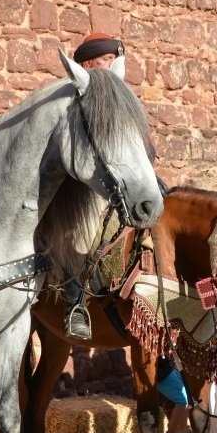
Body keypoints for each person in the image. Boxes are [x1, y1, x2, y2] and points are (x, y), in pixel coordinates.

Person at [60, 32, 126, 340]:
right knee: (83, 235)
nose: (113, 68)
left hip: (122, 184)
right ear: (88, 64)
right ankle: (75, 305)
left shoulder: (120, 99)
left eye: (115, 61)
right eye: (107, 61)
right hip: (82, 187)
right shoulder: (74, 98)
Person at [157, 356, 193, 433]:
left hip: (167, 368)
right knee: (182, 401)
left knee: (188, 394)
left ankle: (183, 429)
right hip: (161, 373)